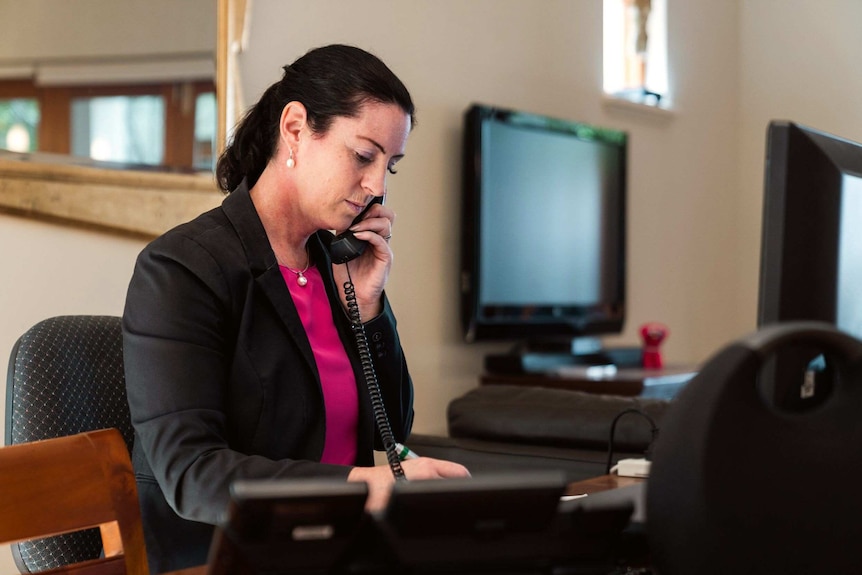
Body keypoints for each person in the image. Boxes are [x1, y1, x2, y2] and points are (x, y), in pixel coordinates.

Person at [122, 44, 470, 573]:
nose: (376, 186)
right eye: (362, 155)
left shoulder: (337, 267)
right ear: (295, 129)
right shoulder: (180, 269)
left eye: (389, 166)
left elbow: (389, 431)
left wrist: (369, 306)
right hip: (222, 559)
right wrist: (365, 487)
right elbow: (192, 473)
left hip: (336, 552)